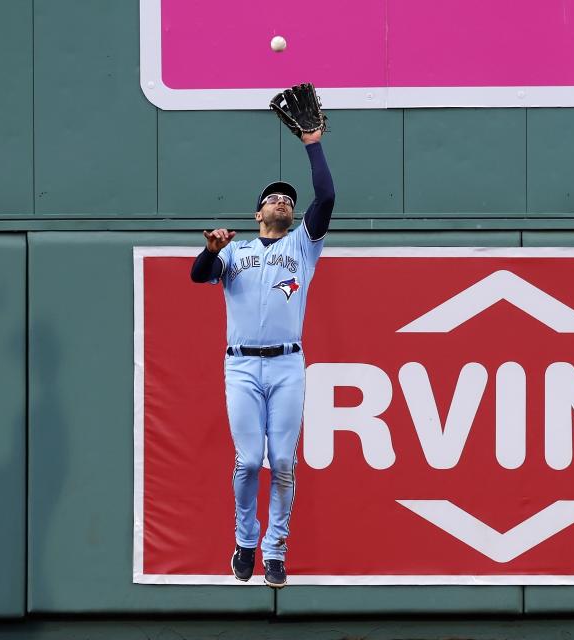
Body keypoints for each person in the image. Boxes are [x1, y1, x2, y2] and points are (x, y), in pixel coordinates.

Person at [190, 122, 334, 588]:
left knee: (285, 462)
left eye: (288, 200)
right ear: (257, 213)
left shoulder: (302, 246)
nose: (283, 202)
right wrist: (211, 251)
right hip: (243, 365)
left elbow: (326, 198)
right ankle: (245, 541)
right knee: (251, 460)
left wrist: (312, 145)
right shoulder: (236, 250)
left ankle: (274, 551)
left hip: (288, 363)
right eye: (273, 198)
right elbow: (199, 275)